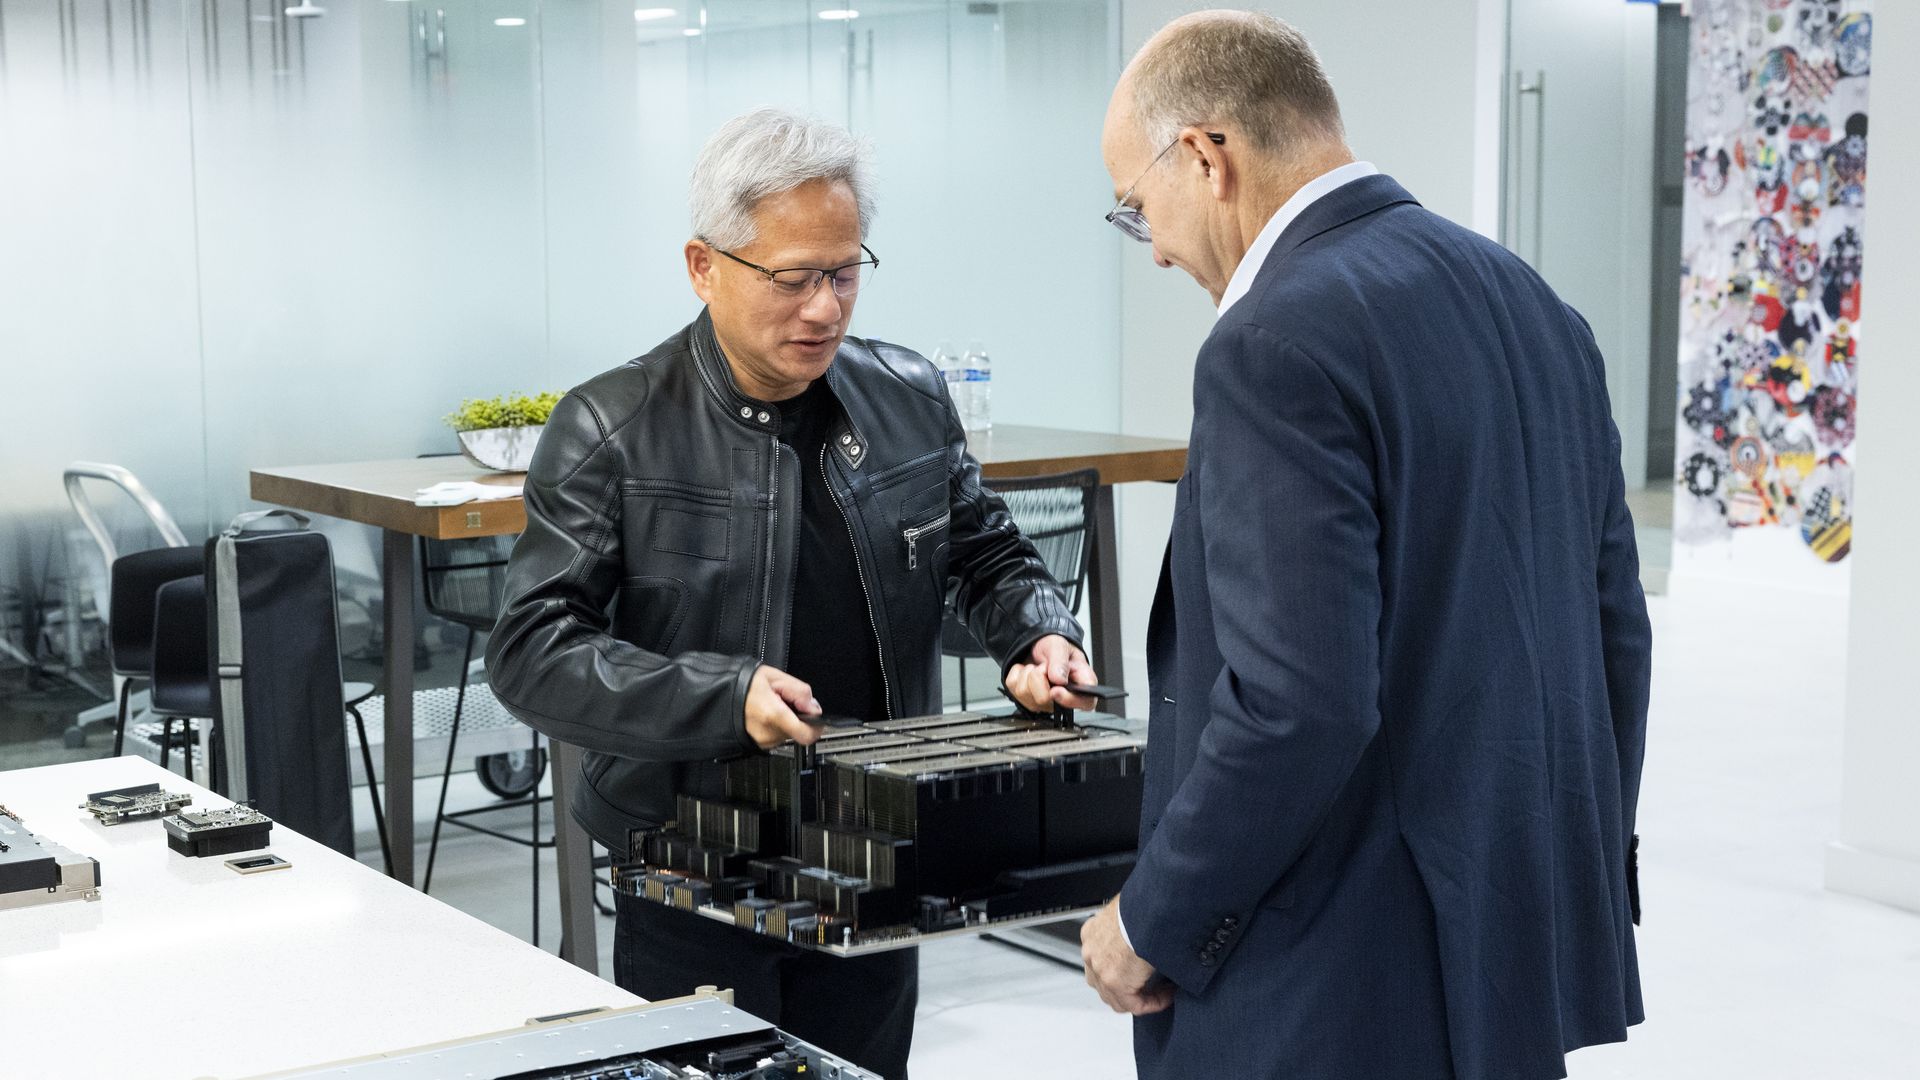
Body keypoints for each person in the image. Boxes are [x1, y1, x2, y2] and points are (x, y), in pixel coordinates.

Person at [1079, 12, 1651, 1080]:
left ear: (1206, 157)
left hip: (1328, 985)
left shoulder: (1269, 343)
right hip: (1501, 947)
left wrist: (1153, 916)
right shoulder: (1536, 308)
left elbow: (1299, 705)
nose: (1152, 246)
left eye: (1136, 207)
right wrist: (1569, 880)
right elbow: (1614, 631)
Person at [487, 106, 1096, 1079]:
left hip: (870, 839)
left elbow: (989, 559)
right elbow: (533, 651)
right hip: (691, 853)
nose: (824, 308)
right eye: (792, 278)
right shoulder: (612, 427)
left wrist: (1038, 638)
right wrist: (723, 697)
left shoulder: (906, 397)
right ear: (703, 265)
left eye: (844, 272)